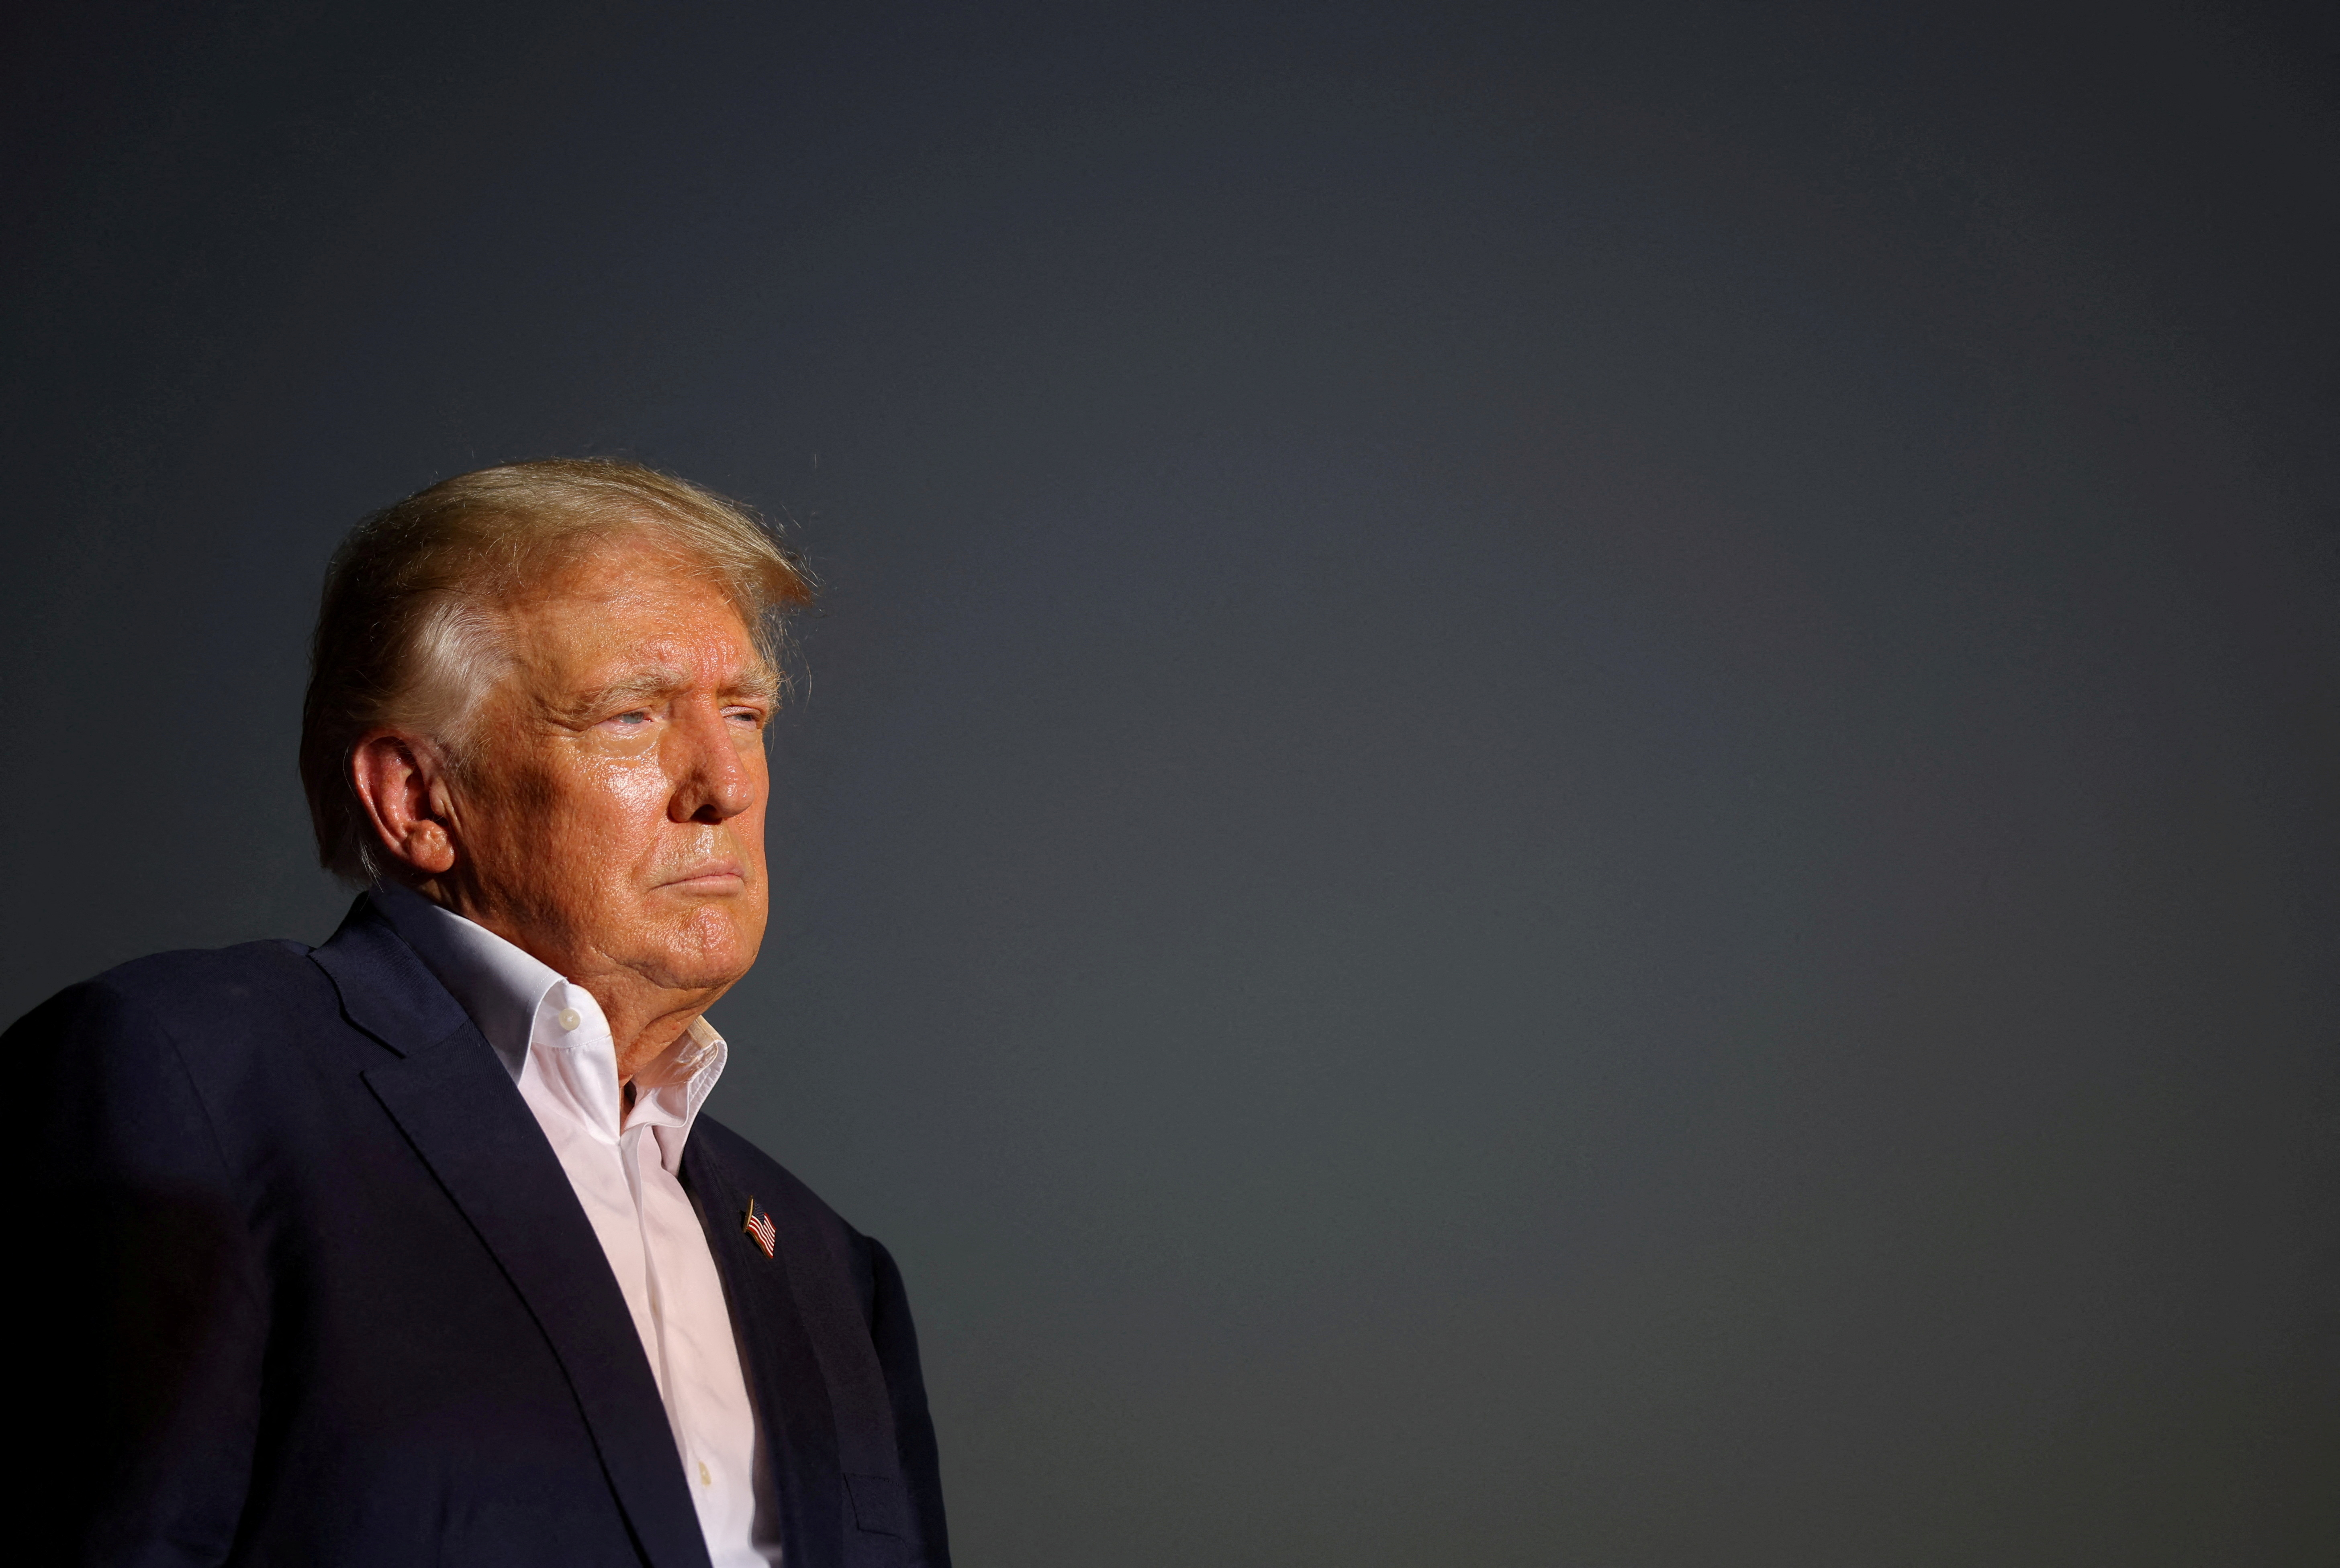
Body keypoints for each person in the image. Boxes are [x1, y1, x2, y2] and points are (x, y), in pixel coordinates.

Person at [15, 459, 948, 1568]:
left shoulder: (832, 1273)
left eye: (743, 714)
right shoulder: (183, 1083)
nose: (726, 784)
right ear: (418, 799)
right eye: (631, 714)